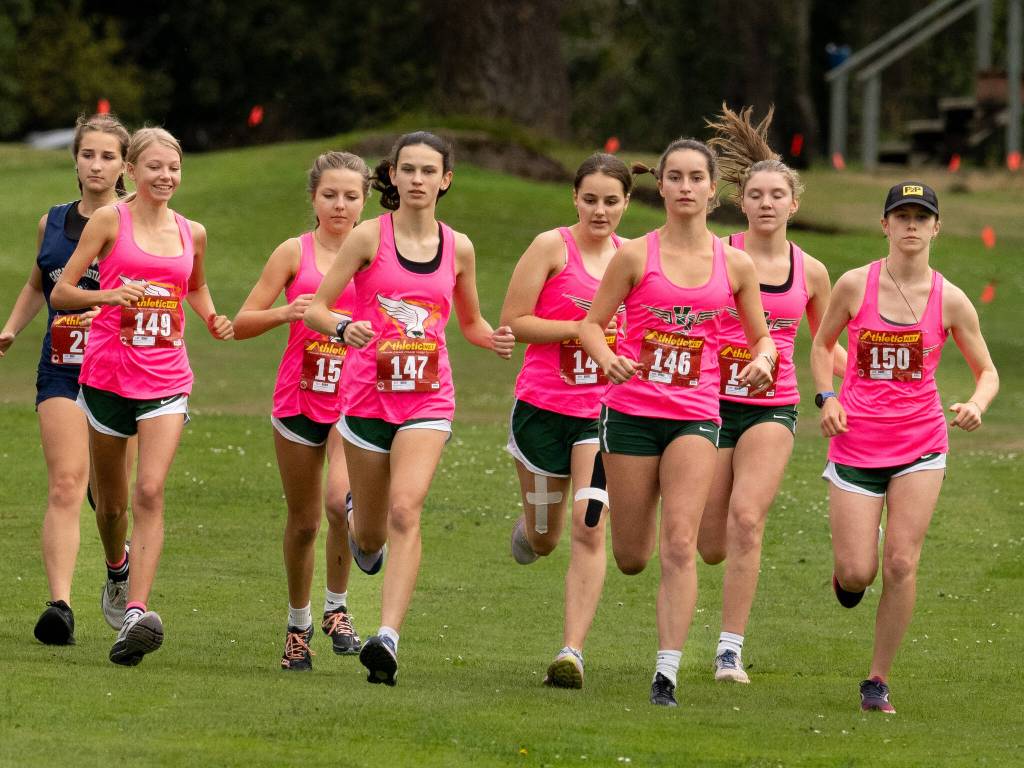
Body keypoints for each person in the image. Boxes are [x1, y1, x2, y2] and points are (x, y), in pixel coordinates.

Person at [304, 131, 515, 686]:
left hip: (428, 399)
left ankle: (388, 637)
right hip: (367, 400)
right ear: (392, 177)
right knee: (371, 536)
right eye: (408, 170)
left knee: (406, 510)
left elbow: (468, 321)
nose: (418, 179)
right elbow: (317, 311)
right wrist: (347, 327)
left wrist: (493, 338)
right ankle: (354, 521)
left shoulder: (459, 247)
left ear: (446, 180)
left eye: (429, 171)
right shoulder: (368, 238)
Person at [578, 138, 777, 707]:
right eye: (676, 178)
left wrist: (764, 359)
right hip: (633, 414)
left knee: (681, 544)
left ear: (714, 190)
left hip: (695, 417)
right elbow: (593, 325)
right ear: (659, 187)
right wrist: (607, 356)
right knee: (632, 555)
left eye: (696, 178)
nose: (686, 188)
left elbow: (760, 335)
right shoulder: (634, 255)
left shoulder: (734, 263)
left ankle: (666, 671)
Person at [811, 182, 998, 713]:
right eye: (902, 216)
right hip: (855, 442)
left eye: (922, 216)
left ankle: (877, 680)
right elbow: (823, 344)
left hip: (921, 443)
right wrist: (827, 397)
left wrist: (978, 404)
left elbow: (987, 371)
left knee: (900, 564)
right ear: (885, 225)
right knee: (857, 572)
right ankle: (849, 573)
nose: (911, 225)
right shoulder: (853, 286)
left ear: (936, 227)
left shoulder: (952, 299)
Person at [51, 127, 234, 666]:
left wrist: (211, 315)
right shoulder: (112, 221)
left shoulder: (191, 231)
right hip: (107, 376)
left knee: (150, 491)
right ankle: (116, 569)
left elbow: (194, 285)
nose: (165, 176)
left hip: (166, 378)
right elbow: (63, 291)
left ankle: (136, 611)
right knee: (111, 505)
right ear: (132, 170)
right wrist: (110, 294)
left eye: (173, 167)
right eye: (154, 166)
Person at [695, 104, 844, 684]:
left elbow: (825, 342)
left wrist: (848, 389)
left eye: (776, 194)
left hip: (772, 408)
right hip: (706, 404)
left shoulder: (812, 271)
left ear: (793, 204)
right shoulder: (715, 253)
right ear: (741, 201)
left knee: (747, 520)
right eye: (755, 194)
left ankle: (729, 648)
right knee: (710, 543)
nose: (765, 203)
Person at [498, 153, 631, 689]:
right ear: (575, 198)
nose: (601, 211)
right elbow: (514, 322)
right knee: (547, 537)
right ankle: (530, 530)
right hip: (542, 409)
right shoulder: (551, 247)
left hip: (602, 415)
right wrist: (581, 331)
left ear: (626, 203)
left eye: (612, 201)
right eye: (591, 199)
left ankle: (571, 652)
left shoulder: (634, 258)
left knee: (588, 526)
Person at [233, 151, 369, 670]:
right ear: (313, 197)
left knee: (340, 505)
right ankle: (298, 626)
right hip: (298, 399)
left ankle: (337, 608)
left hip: (355, 401)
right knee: (305, 522)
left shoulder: (377, 253)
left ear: (365, 201)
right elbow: (242, 321)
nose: (339, 205)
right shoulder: (294, 253)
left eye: (350, 196)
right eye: (330, 194)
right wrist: (286, 312)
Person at [0, 113, 132, 646]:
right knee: (65, 482)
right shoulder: (51, 221)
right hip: (60, 367)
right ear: (74, 160)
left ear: (125, 165)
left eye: (107, 156)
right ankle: (60, 606)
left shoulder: (137, 223)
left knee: (111, 497)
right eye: (87, 155)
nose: (96, 165)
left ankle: (118, 566)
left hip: (121, 373)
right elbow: (40, 283)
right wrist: (10, 328)